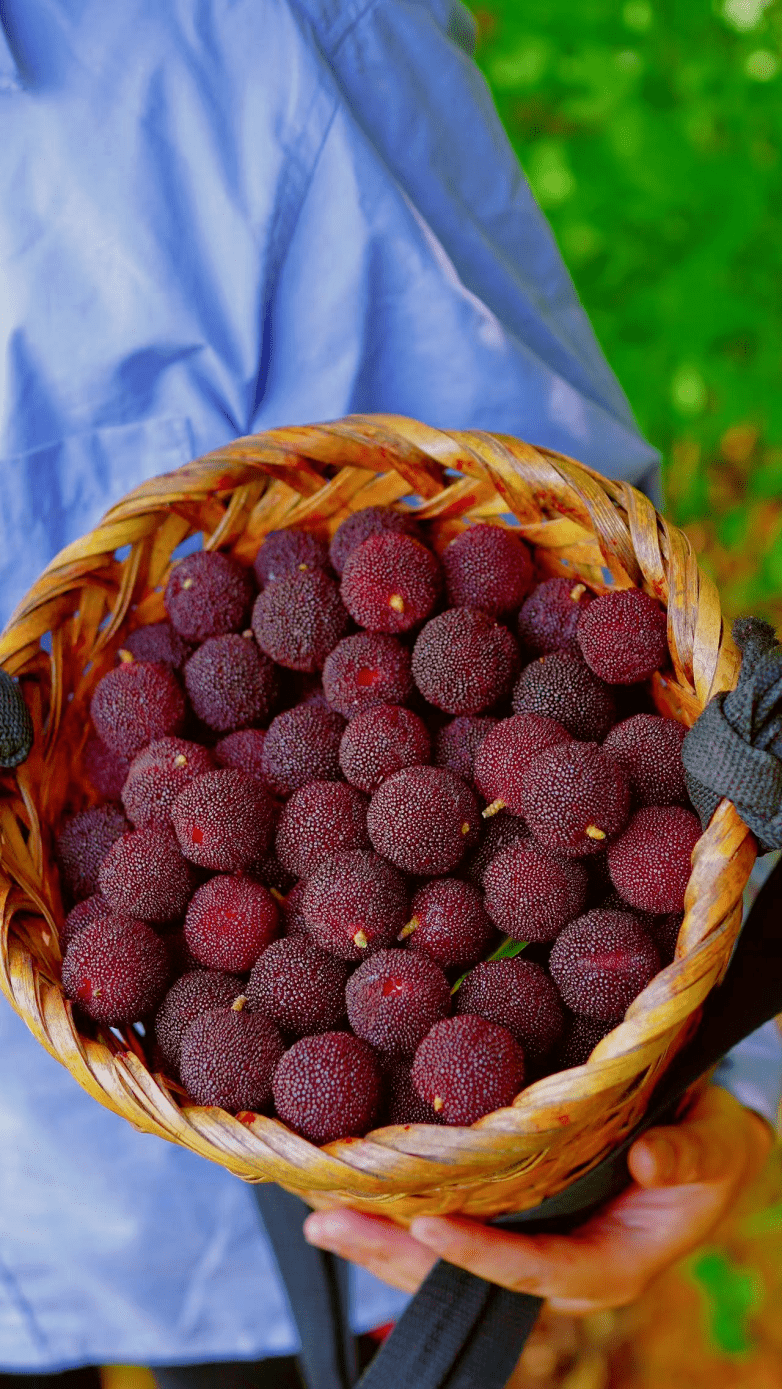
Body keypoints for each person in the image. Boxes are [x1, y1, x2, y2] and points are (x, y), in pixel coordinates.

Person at [0, 1, 778, 1384]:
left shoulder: (261, 44)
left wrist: (718, 1078)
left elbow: (609, 627)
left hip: (340, 1221)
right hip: (77, 1216)